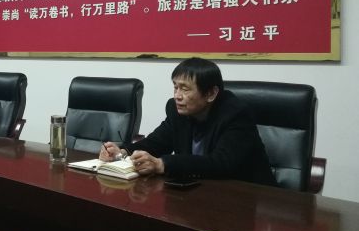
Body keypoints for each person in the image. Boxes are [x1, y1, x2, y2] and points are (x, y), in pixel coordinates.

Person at [100, 57, 276, 186]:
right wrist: (122, 152)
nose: (177, 96)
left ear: (211, 93)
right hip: (198, 191)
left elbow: (221, 163)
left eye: (184, 89)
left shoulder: (236, 114)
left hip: (249, 199)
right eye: (175, 87)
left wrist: (162, 164)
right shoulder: (177, 110)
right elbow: (156, 143)